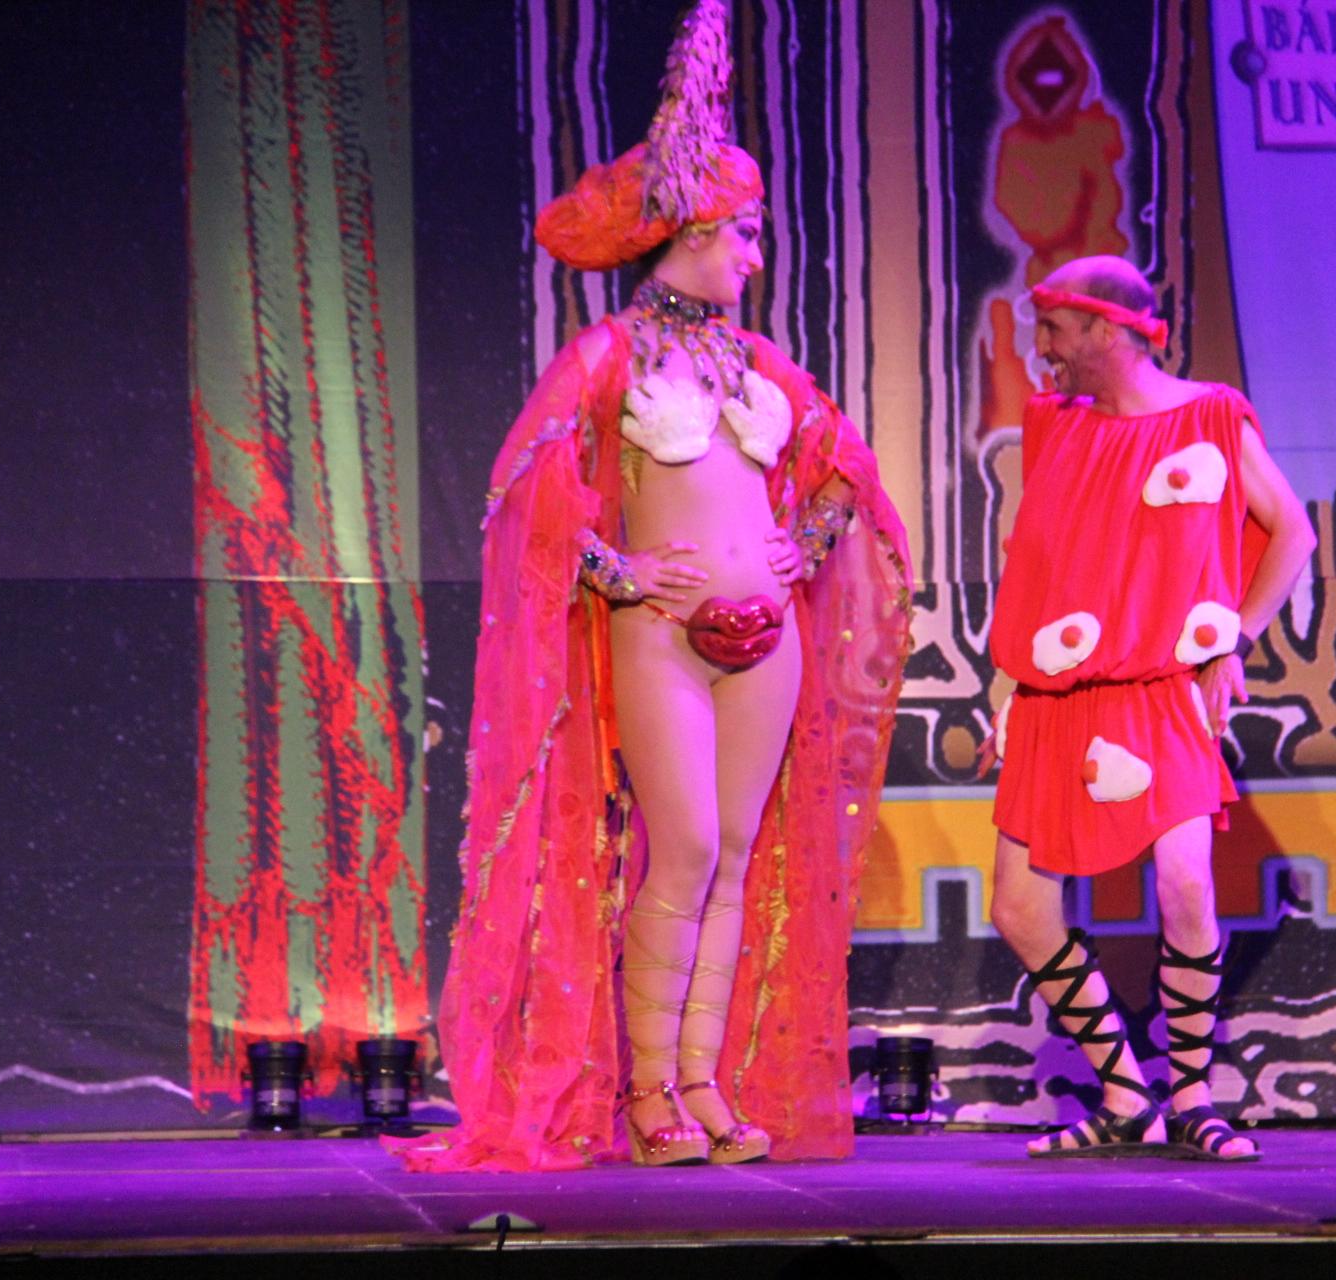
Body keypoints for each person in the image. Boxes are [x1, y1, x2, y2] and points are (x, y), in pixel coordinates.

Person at [397, 0, 912, 1172]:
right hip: (664, 636)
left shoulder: (765, 366)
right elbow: (525, 495)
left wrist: (805, 541)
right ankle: (644, 1090)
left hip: (768, 637)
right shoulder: (609, 357)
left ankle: (704, 1081)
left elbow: (844, 476)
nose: (756, 258)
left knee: (733, 851)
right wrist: (620, 571)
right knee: (681, 845)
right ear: (692, 232)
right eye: (745, 236)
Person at [986, 255, 1315, 1161]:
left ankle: (1194, 1093)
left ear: (1106, 329)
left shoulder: (1210, 417)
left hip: (1160, 685)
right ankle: (1127, 1091)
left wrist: (1233, 637)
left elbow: (1292, 530)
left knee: (1184, 882)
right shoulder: (1055, 425)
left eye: (1056, 330)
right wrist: (1009, 690)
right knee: (1019, 907)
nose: (1043, 349)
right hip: (1059, 693)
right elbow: (1042, 564)